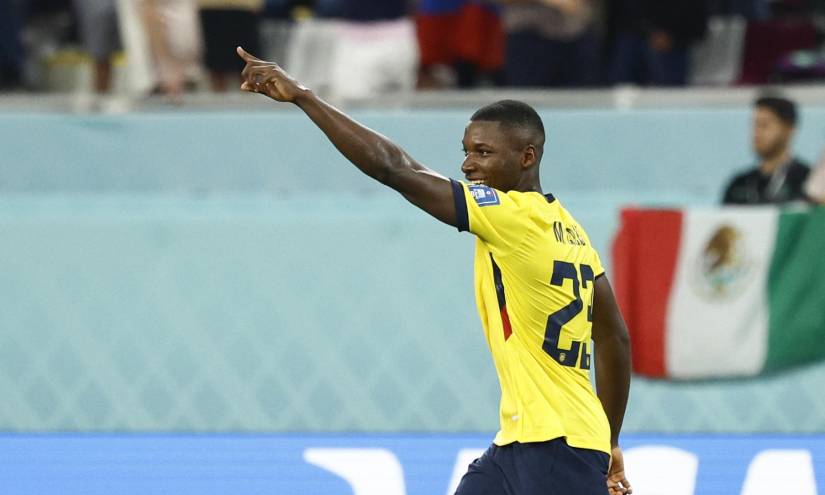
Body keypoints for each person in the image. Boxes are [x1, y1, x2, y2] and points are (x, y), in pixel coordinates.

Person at [236, 47, 633, 495]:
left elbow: (394, 168)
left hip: (556, 449)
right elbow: (614, 336)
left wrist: (305, 97)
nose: (467, 165)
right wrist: (609, 439)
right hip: (525, 443)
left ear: (527, 157)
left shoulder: (510, 215)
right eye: (465, 152)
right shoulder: (571, 231)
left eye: (483, 152)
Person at [722, 96, 811, 204]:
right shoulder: (739, 183)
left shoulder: (808, 181)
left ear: (788, 129)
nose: (757, 133)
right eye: (755, 125)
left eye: (764, 125)